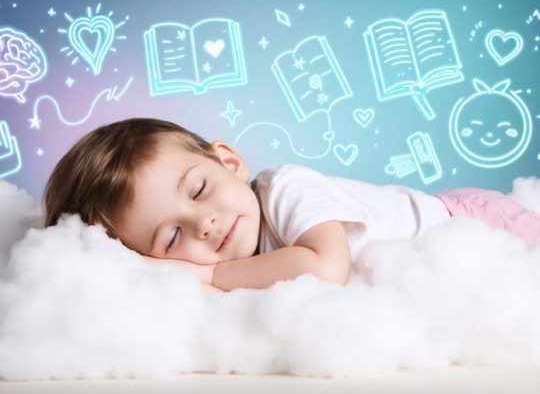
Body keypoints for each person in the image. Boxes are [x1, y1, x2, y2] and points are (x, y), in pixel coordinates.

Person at [43, 118, 540, 294]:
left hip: (472, 222)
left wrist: (210, 278)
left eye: (197, 191)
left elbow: (325, 269)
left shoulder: (284, 189)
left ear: (228, 161)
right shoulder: (234, 265)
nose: (205, 223)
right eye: (172, 238)